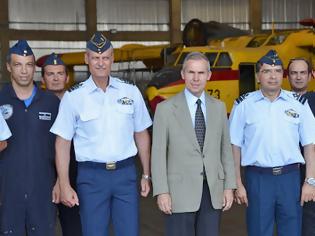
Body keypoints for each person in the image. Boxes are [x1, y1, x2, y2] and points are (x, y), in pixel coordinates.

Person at [50, 32, 152, 236]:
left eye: (105, 57)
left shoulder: (130, 92)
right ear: (86, 59)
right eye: (95, 58)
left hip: (125, 174)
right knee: (93, 232)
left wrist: (146, 174)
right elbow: (62, 143)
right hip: (91, 177)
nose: (100, 63)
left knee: (129, 232)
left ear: (112, 59)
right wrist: (64, 183)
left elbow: (141, 133)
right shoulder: (74, 97)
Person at [230, 50, 315, 236]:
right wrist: (237, 182)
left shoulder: (298, 103)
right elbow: (234, 147)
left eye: (277, 70)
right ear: (258, 76)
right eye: (267, 71)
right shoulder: (243, 105)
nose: (273, 76)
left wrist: (310, 181)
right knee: (259, 230)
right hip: (258, 179)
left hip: (290, 178)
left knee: (292, 231)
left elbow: (310, 145)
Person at [151, 51, 236, 236]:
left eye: (201, 73)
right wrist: (162, 191)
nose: (196, 78)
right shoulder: (165, 109)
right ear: (183, 74)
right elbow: (157, 154)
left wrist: (229, 186)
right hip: (178, 192)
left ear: (209, 76)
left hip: (212, 191)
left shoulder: (219, 107)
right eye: (191, 72)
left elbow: (225, 151)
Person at [0, 40, 60, 235]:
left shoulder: (51, 102)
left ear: (34, 67)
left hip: (43, 189)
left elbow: (63, 145)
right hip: (7, 191)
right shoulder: (0, 100)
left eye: (29, 65)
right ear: (8, 66)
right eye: (18, 64)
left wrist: (61, 181)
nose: (24, 71)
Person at [41, 53, 82, 236]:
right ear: (43, 79)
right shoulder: (34, 106)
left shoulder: (79, 103)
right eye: (50, 74)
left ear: (67, 77)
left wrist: (62, 181)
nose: (56, 78)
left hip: (74, 178)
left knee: (74, 229)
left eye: (59, 73)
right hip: (42, 179)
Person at [288, 57, 315, 236]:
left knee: (310, 222)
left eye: (302, 73)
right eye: (294, 73)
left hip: (311, 171)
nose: (298, 77)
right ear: (288, 76)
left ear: (310, 76)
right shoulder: (279, 102)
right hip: (287, 173)